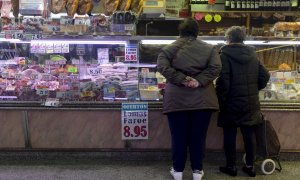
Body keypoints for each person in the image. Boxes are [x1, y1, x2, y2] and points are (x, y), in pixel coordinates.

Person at [157, 18, 222, 180]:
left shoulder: (168, 49)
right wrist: (198, 80)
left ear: (180, 32)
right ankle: (197, 171)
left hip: (176, 99)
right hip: (203, 99)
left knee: (178, 136)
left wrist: (182, 79)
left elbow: (162, 67)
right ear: (197, 32)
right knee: (198, 137)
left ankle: (178, 171)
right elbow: (216, 67)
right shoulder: (209, 48)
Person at [216, 26, 270, 177]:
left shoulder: (224, 55)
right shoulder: (253, 54)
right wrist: (254, 89)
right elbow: (264, 76)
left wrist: (221, 98)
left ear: (229, 39)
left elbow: (223, 82)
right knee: (248, 133)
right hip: (250, 102)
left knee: (230, 134)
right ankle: (250, 166)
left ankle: (231, 167)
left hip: (230, 102)